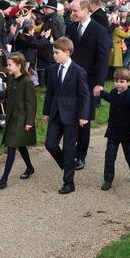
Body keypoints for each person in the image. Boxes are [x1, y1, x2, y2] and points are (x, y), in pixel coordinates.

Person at [42, 37, 91, 194]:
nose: (54, 55)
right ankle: (67, 164)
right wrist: (46, 111)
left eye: (56, 53)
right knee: (50, 144)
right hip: (56, 112)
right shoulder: (52, 70)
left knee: (69, 148)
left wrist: (84, 115)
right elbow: (50, 92)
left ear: (67, 52)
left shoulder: (79, 71)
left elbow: (85, 95)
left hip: (72, 115)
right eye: (53, 52)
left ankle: (68, 182)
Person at [65, 0, 109, 171]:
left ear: (86, 10)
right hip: (70, 80)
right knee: (69, 114)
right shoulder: (70, 28)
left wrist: (99, 83)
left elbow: (103, 58)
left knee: (84, 119)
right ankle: (69, 148)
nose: (72, 14)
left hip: (89, 82)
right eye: (71, 11)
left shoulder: (99, 30)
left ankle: (80, 155)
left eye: (75, 10)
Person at [0, 53, 36, 189]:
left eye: (10, 65)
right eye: (7, 64)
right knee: (20, 145)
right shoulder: (11, 78)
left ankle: (4, 179)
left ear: (19, 65)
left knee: (11, 146)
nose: (7, 67)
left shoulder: (27, 82)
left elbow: (31, 103)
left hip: (22, 119)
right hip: (12, 118)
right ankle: (30, 167)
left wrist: (29, 121)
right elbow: (7, 93)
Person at [99, 68, 130, 191]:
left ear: (128, 82)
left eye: (122, 81)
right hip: (113, 131)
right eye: (116, 81)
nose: (118, 84)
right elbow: (111, 98)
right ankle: (108, 179)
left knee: (129, 154)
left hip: (127, 133)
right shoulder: (114, 92)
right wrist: (101, 92)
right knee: (110, 155)